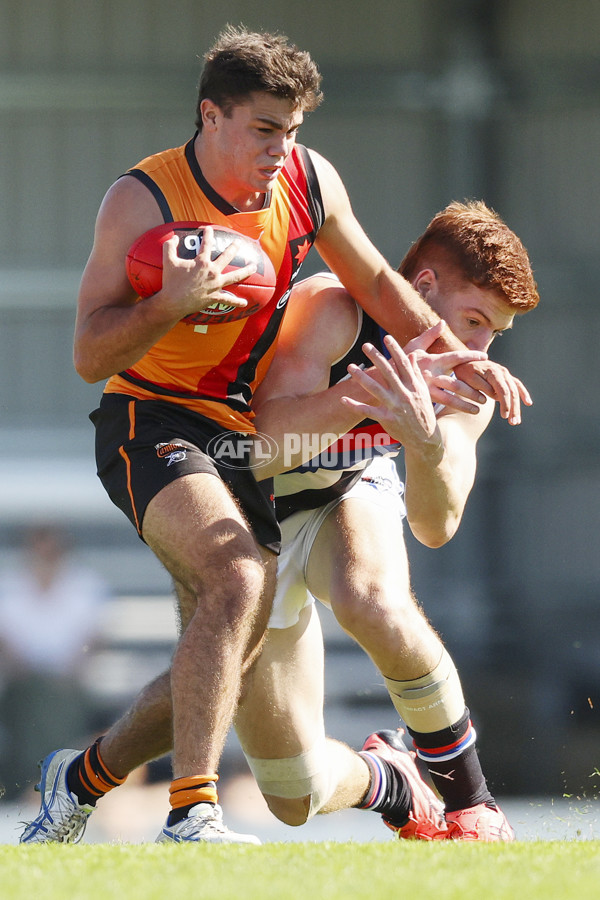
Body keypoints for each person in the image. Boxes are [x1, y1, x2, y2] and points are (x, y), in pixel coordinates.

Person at [19, 200, 536, 844]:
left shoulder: (474, 385)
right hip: (249, 505)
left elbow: (436, 524)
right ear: (423, 290)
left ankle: (473, 805)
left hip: (343, 491)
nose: (479, 348)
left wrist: (426, 443)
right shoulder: (332, 309)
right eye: (474, 320)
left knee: (370, 598)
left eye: (495, 333)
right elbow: (260, 446)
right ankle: (392, 781)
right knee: (295, 790)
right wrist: (364, 399)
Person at [0, 523, 107, 800]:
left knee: (47, 702)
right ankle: (54, 780)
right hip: (23, 683)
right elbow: (7, 644)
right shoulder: (10, 585)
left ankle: (32, 782)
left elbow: (91, 640)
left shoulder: (85, 585)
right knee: (37, 698)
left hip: (68, 684)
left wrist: (66, 675)